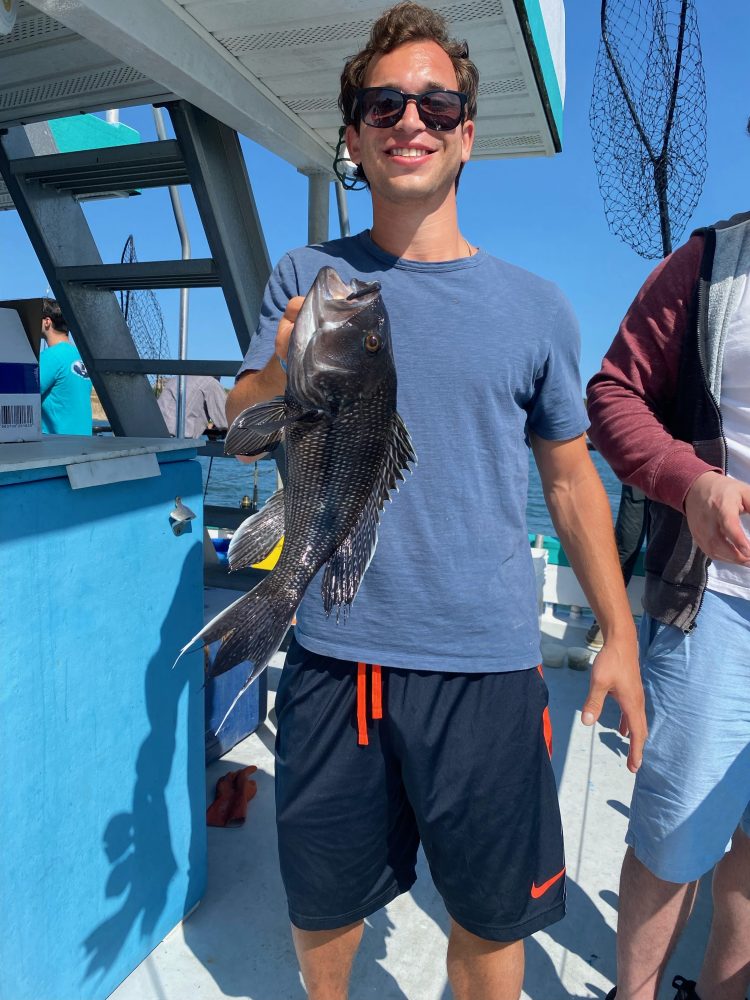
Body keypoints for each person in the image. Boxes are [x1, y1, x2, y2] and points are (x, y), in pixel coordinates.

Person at [226, 5, 646, 998]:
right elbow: (240, 424)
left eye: (435, 102)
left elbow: (572, 478)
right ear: (357, 136)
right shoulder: (305, 275)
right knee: (321, 907)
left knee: (491, 920)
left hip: (488, 671)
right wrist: (283, 368)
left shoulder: (539, 305)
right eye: (384, 102)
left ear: (465, 134)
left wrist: (619, 634)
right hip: (336, 653)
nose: (408, 117)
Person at [587, 204, 750, 1000]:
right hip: (716, 603)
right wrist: (692, 485)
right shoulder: (709, 262)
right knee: (674, 839)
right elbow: (614, 395)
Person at [585, 483, 649, 650]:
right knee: (625, 546)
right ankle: (603, 620)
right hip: (641, 471)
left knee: (665, 551)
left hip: (679, 476)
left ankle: (658, 627)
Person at [39, 298, 92, 435]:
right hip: (83, 444)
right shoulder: (81, 356)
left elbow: (23, 395)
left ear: (47, 322)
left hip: (56, 446)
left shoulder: (49, 357)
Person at [156, 374, 228, 438]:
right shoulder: (211, 383)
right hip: (177, 439)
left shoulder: (178, 378)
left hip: (153, 433)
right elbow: (226, 421)